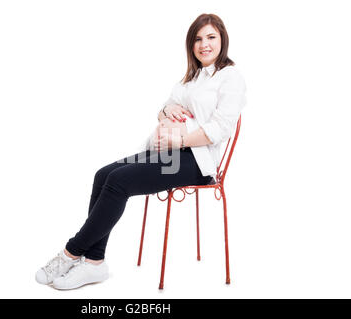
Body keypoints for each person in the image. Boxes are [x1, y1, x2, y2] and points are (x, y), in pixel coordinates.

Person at [35, 13, 247, 290]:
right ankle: (94, 263)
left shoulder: (231, 78)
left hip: (198, 161)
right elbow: (165, 108)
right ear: (190, 44)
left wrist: (177, 141)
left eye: (210, 37)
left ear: (222, 40)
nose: (204, 44)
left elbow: (219, 129)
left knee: (119, 181)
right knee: (104, 174)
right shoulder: (190, 78)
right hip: (169, 153)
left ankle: (70, 253)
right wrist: (166, 111)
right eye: (197, 38)